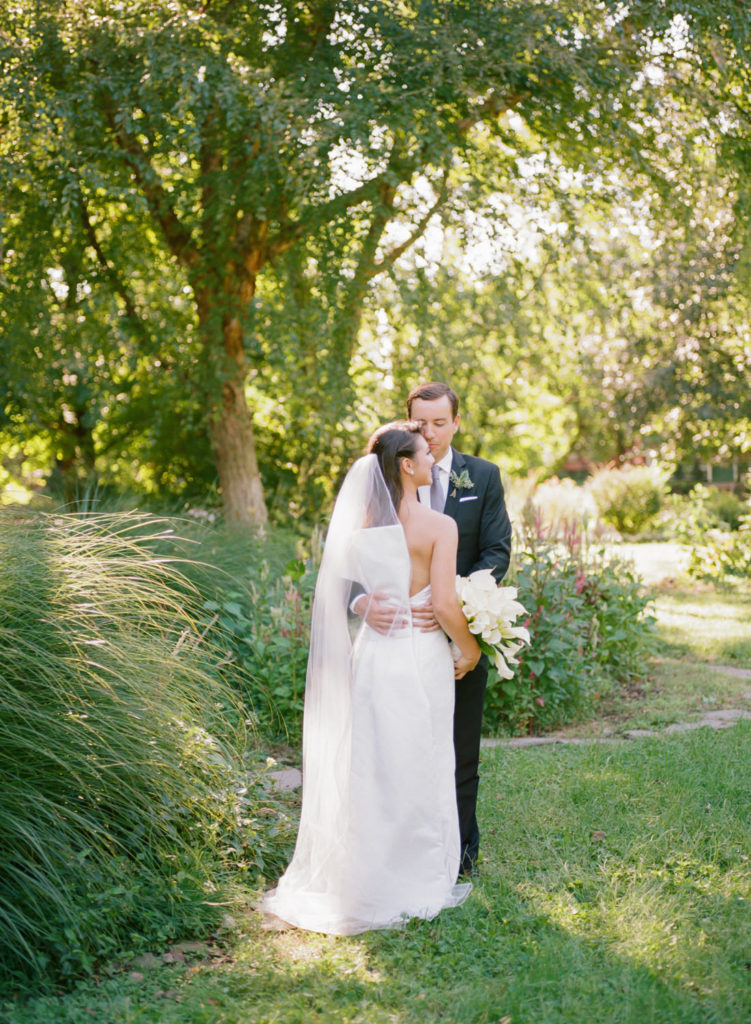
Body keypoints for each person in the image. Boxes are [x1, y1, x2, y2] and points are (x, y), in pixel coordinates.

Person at [261, 423, 481, 934]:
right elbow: (444, 604)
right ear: (406, 465)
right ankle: (416, 870)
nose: (432, 460)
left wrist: (363, 602)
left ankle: (364, 876)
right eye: (425, 454)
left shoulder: (359, 525)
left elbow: (333, 583)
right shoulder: (438, 526)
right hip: (421, 655)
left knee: (373, 763)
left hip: (376, 657)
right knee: (422, 756)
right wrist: (469, 649)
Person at [353, 383, 512, 875]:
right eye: (421, 425)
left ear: (456, 422)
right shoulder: (377, 485)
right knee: (390, 751)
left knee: (458, 751)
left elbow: (496, 552)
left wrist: (461, 604)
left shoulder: (482, 476)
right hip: (397, 638)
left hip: (458, 625)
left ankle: (458, 855)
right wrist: (362, 601)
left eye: (440, 423)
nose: (431, 433)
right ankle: (396, 856)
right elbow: (344, 561)